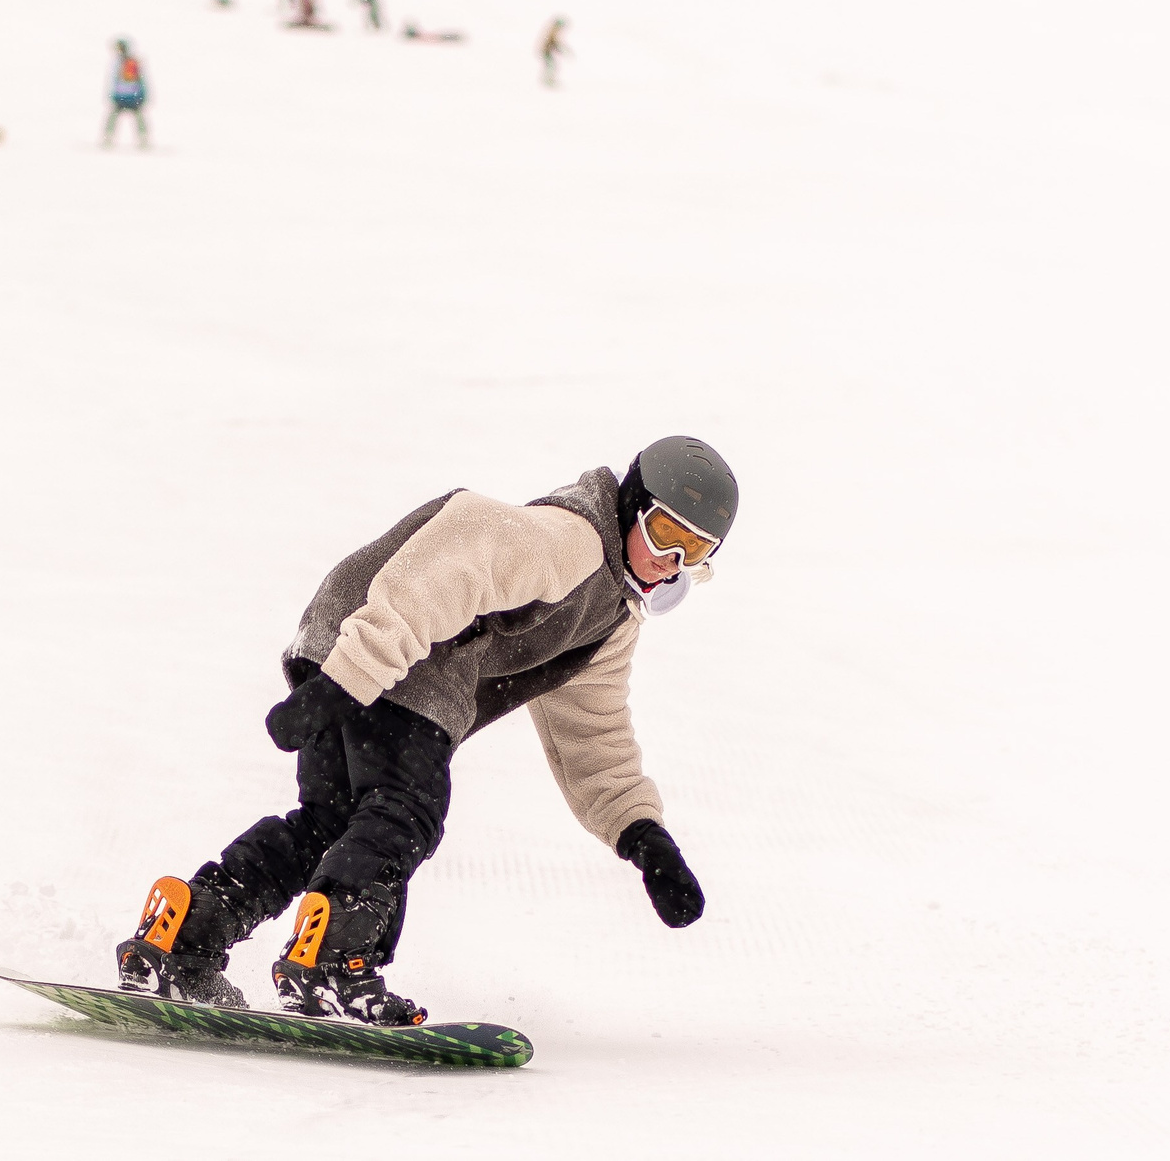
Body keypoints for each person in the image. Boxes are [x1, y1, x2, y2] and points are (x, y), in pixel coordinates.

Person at [115, 438, 737, 1025]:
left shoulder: (611, 619)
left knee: (332, 823)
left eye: (695, 551)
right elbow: (460, 547)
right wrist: (347, 678)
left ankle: (188, 929)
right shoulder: (573, 540)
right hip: (390, 647)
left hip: (357, 646)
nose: (670, 561)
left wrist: (642, 834)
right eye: (664, 532)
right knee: (406, 810)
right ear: (631, 504)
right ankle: (334, 966)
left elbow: (593, 738)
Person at [104, 38, 148, 147]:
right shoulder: (120, 62)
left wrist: (142, 95)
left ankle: (143, 139)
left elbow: (137, 79)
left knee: (136, 118)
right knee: (116, 117)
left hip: (130, 96)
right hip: (124, 96)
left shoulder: (129, 62)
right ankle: (108, 138)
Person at [539, 16, 570, 86]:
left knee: (551, 65)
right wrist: (560, 49)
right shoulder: (553, 31)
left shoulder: (552, 31)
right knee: (551, 66)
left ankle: (548, 79)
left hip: (546, 51)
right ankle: (548, 80)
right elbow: (553, 42)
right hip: (546, 51)